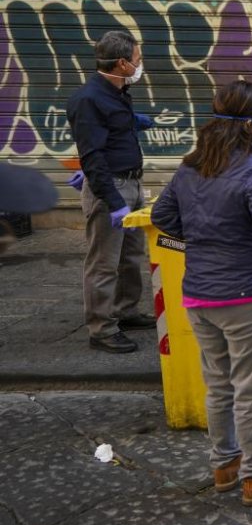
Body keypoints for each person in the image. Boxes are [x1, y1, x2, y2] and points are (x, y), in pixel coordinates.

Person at [151, 81, 252, 506]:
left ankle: (225, 464)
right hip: (244, 294)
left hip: (198, 294)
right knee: (249, 388)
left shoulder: (193, 165)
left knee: (219, 385)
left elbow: (162, 215)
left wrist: (207, 238)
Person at [66, 30, 158, 354]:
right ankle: (102, 328)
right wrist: (114, 200)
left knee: (131, 257)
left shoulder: (118, 91)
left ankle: (126, 311)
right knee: (104, 262)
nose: (139, 64)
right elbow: (91, 155)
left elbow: (110, 131)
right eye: (137, 59)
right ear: (121, 63)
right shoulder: (88, 99)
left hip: (131, 183)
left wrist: (132, 121)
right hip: (112, 190)